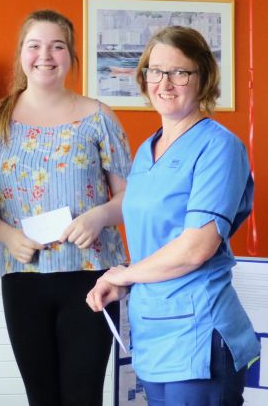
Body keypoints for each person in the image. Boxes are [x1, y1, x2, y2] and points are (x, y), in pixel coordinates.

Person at [86, 25, 260, 406]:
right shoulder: (147, 151)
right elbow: (159, 241)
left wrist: (124, 273)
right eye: (155, 71)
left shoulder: (219, 147)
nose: (165, 82)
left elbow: (196, 247)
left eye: (179, 72)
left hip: (199, 335)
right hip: (154, 333)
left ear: (202, 78)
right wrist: (125, 283)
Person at [0, 9, 131, 406]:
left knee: (83, 395)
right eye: (35, 45)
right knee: (41, 396)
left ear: (71, 56)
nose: (46, 55)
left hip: (91, 278)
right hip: (23, 275)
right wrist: (7, 235)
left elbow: (131, 196)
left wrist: (100, 216)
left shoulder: (98, 117)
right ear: (22, 53)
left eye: (57, 46)